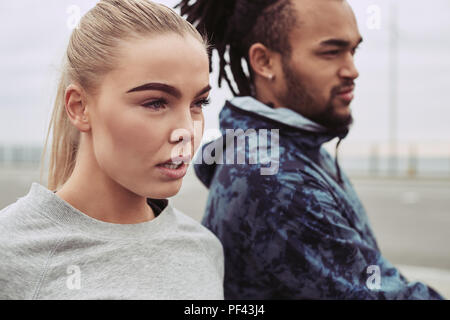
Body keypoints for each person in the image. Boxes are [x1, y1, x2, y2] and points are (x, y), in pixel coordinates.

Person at [178, 0, 444, 299]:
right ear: (264, 62)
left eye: (353, 50)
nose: (352, 70)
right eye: (331, 52)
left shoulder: (292, 147)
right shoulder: (274, 176)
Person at [0, 0, 224, 300]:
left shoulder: (205, 249)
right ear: (79, 107)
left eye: (198, 104)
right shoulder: (10, 251)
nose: (186, 131)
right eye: (156, 102)